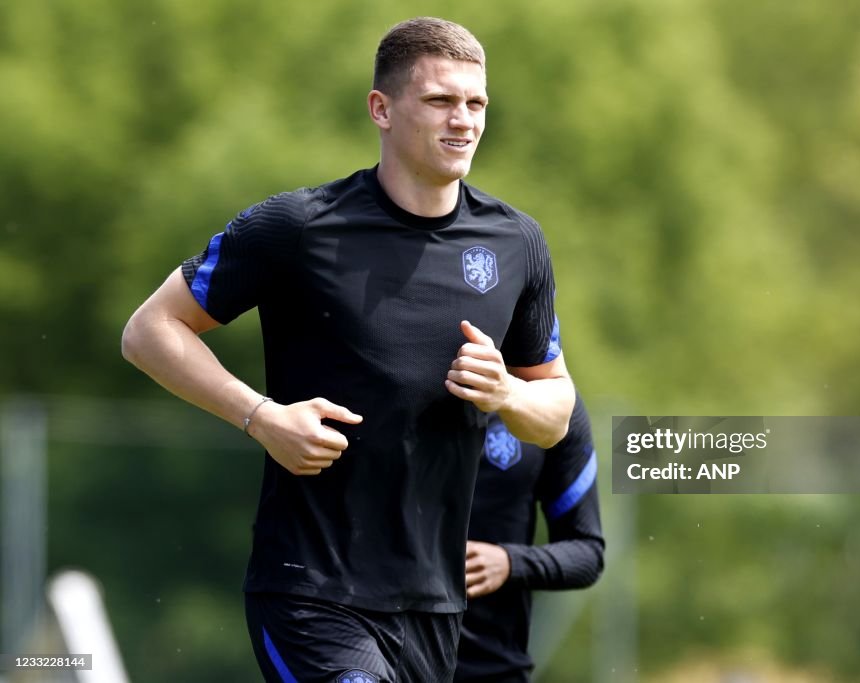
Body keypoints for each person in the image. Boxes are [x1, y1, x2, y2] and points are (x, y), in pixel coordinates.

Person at [121, 17, 574, 683]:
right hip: (310, 589)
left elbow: (556, 409)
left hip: (433, 603)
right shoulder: (296, 226)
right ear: (381, 109)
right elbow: (150, 331)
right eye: (440, 101)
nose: (464, 121)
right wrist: (261, 415)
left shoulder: (517, 243)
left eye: (476, 103)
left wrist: (508, 392)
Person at [456, 392, 604, 683]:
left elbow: (588, 553)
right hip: (382, 649)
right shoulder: (386, 378)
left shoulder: (554, 405)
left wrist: (510, 563)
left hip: (490, 666)